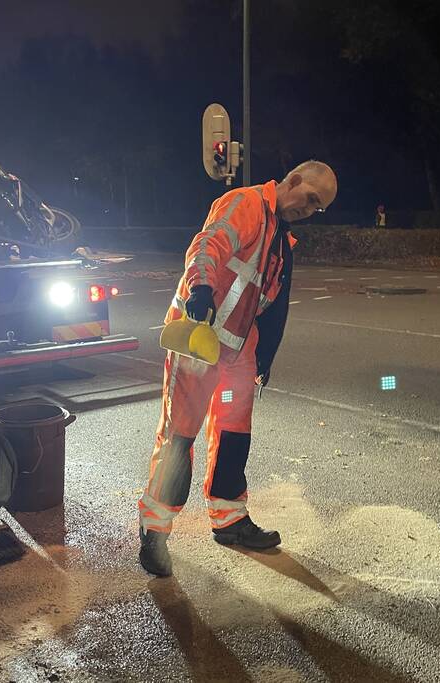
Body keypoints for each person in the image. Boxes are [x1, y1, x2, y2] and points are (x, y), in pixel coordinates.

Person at [137, 161, 338, 576]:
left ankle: (229, 519)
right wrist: (201, 289)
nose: (310, 211)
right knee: (180, 437)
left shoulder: (280, 237)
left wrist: (261, 358)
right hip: (199, 339)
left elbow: (264, 300)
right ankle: (154, 530)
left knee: (233, 434)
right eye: (312, 200)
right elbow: (209, 245)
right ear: (294, 181)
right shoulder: (246, 204)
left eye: (319, 209)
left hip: (237, 350)